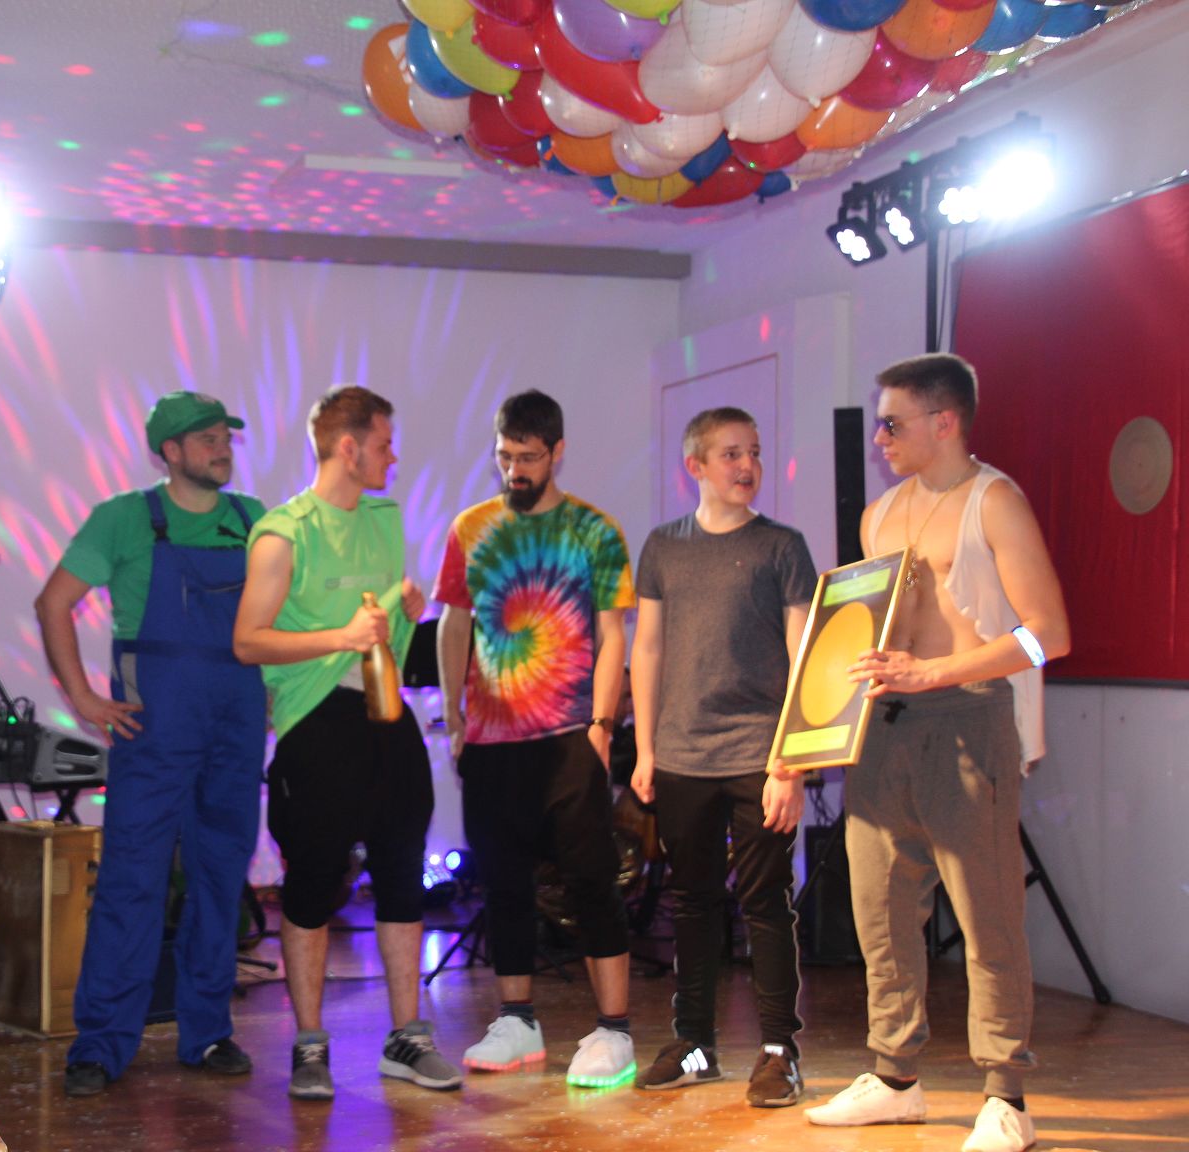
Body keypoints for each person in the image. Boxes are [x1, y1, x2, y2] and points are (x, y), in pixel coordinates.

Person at [785, 354, 1069, 1152]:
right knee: (879, 909)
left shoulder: (994, 501)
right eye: (878, 424)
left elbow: (1048, 634)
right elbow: (866, 627)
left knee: (987, 915)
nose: (878, 438)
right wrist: (818, 718)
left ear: (944, 422)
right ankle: (895, 1078)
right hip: (884, 724)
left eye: (892, 423)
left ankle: (1006, 1095)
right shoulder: (880, 515)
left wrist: (935, 672)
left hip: (969, 715)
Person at [35, 391, 268, 1098]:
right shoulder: (125, 518)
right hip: (154, 729)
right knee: (132, 881)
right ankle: (101, 1043)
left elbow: (284, 614)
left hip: (235, 728)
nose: (221, 449)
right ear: (170, 451)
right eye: (206, 439)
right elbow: (53, 603)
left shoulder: (253, 520)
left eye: (225, 437)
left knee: (219, 879)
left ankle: (208, 1032)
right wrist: (82, 697)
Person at [233, 384, 460, 1102]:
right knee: (311, 887)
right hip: (316, 723)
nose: (394, 457)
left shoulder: (385, 519)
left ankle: (407, 1038)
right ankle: (309, 1044)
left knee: (402, 876)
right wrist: (342, 636)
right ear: (348, 446)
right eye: (385, 444)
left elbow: (382, 623)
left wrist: (408, 607)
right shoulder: (283, 533)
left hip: (386, 717)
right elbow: (247, 641)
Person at [433, 389, 639, 1088]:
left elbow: (613, 635)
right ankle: (516, 1021)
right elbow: (454, 622)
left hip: (570, 735)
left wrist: (603, 726)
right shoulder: (471, 528)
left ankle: (614, 1029)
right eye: (504, 457)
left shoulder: (593, 530)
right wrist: (455, 716)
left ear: (557, 452)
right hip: (492, 742)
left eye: (527, 457)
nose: (514, 470)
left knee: (591, 883)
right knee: (503, 885)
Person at [628, 407, 816, 1106]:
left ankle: (779, 1051)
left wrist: (790, 763)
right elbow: (648, 648)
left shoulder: (783, 547)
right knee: (693, 903)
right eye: (732, 453)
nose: (748, 466)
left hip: (759, 755)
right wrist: (646, 748)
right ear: (696, 466)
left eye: (755, 452)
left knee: (766, 903)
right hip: (682, 756)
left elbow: (804, 657)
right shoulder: (663, 547)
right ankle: (695, 1044)